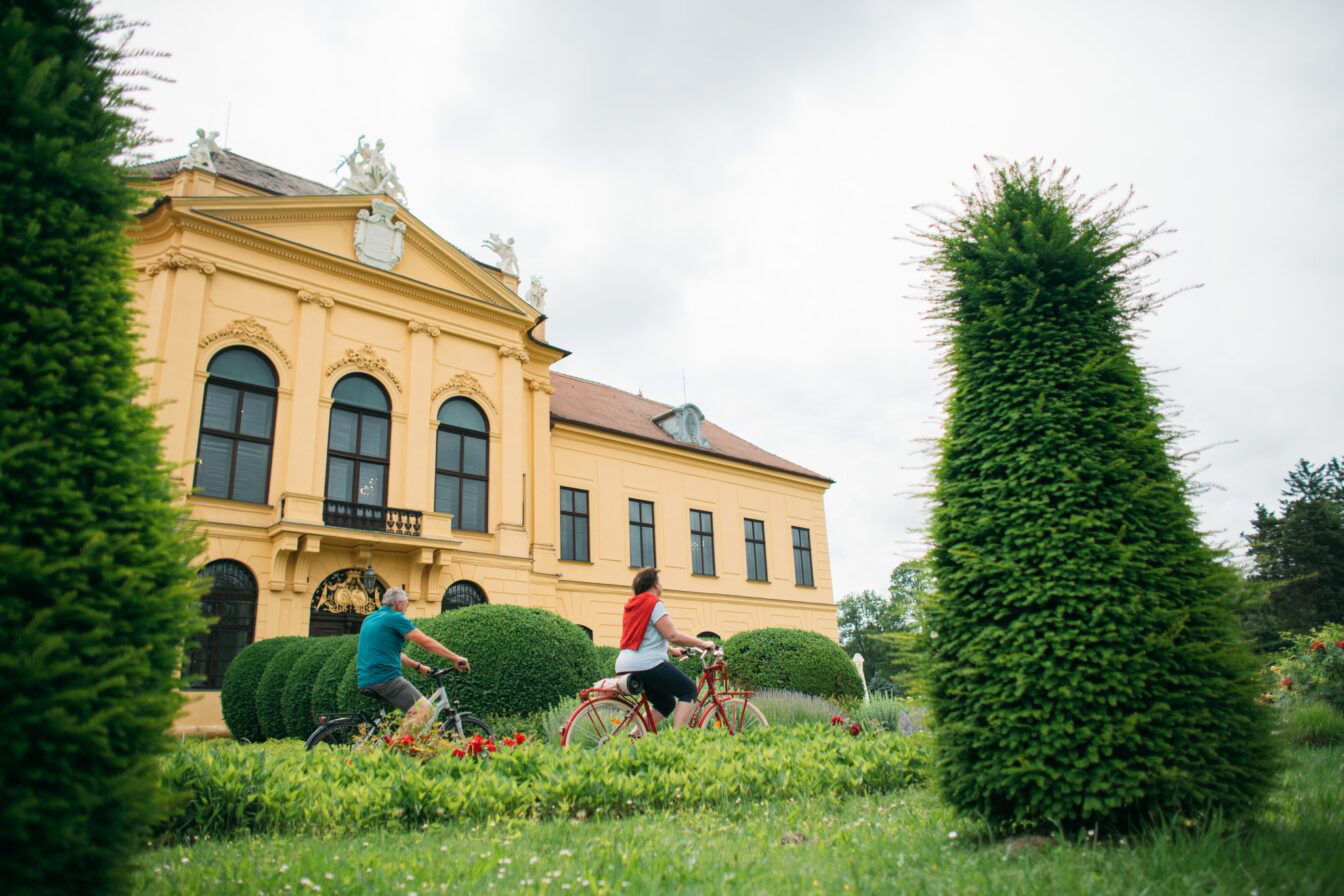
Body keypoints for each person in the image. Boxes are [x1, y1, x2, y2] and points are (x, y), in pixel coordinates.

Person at [356, 586, 470, 737]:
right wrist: (456, 658)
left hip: (367, 678)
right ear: (398, 604)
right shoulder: (395, 617)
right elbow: (426, 642)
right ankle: (395, 752)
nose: (406, 608)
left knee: (411, 716)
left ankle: (405, 749)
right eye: (407, 604)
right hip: (385, 678)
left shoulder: (369, 618)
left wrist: (418, 666)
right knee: (424, 709)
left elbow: (394, 653)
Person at [615, 567, 718, 730]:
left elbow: (643, 638)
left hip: (624, 664)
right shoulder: (654, 603)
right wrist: (703, 643)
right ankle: (678, 740)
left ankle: (636, 734)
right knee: (689, 689)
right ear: (655, 585)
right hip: (647, 664)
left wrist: (672, 651)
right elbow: (673, 635)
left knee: (666, 703)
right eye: (660, 581)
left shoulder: (633, 606)